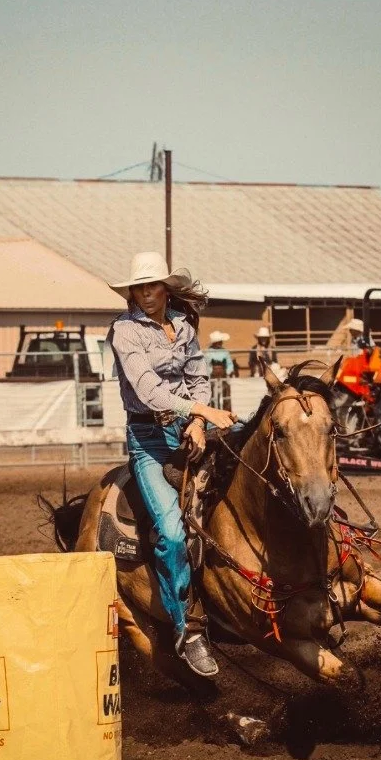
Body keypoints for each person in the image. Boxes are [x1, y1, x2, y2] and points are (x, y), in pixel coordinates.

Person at [107, 252, 237, 678]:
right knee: (171, 531)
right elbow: (146, 389)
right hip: (149, 440)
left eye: (152, 286)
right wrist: (200, 409)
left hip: (188, 430)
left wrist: (198, 421)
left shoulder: (182, 327)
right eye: (139, 287)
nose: (145, 294)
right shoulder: (124, 332)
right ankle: (189, 630)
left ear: (165, 288)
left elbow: (198, 376)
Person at [205, 330, 236, 411]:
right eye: (218, 341)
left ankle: (227, 411)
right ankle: (214, 410)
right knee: (213, 393)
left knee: (226, 392)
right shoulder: (208, 352)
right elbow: (207, 364)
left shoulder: (225, 351)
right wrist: (209, 374)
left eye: (220, 341)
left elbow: (229, 363)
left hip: (223, 374)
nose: (220, 343)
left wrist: (228, 372)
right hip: (213, 375)